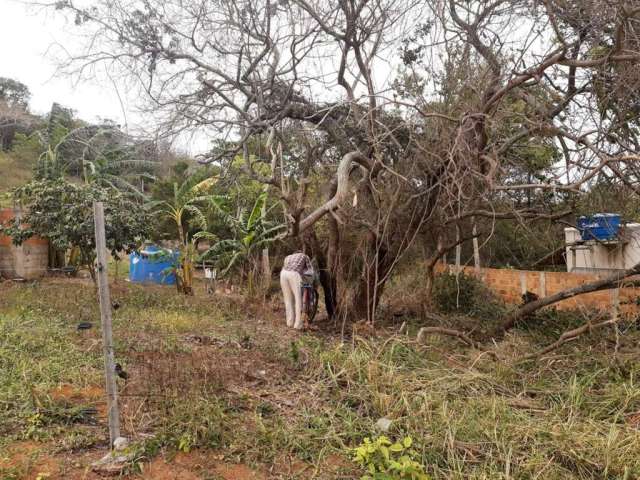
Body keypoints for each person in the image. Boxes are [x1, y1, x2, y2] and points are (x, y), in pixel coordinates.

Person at [280, 251, 314, 330]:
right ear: (300, 252)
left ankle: (289, 322)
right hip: (293, 274)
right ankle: (298, 325)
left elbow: (285, 267)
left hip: (283, 274)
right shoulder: (305, 256)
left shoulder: (288, 256)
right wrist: (311, 281)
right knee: (298, 299)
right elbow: (310, 271)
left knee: (288, 299)